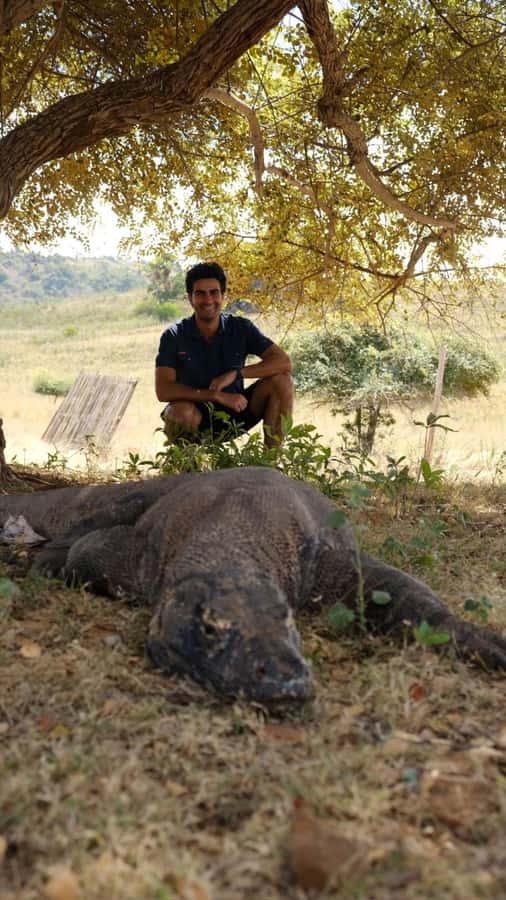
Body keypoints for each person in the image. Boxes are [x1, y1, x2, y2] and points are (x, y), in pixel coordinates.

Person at [155, 261, 293, 447]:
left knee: (282, 381)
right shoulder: (174, 335)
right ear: (190, 298)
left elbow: (283, 362)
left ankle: (271, 464)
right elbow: (164, 390)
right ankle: (190, 470)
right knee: (177, 413)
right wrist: (215, 395)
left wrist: (237, 373)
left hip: (236, 411)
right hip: (195, 416)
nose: (208, 300)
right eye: (200, 294)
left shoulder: (240, 328)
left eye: (214, 292)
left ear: (223, 295)